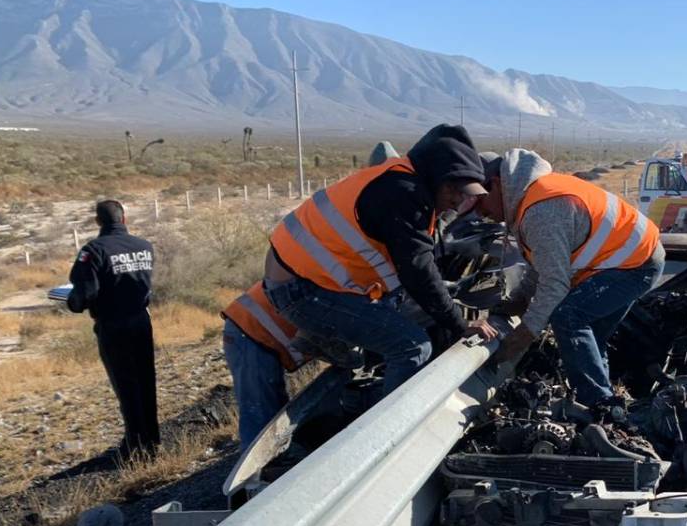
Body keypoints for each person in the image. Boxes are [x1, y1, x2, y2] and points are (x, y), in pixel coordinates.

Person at [263, 124, 498, 395]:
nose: (459, 201)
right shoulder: (403, 192)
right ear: (435, 177)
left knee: (402, 311)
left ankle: (335, 350)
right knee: (412, 345)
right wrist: (460, 325)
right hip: (302, 292)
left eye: (464, 193)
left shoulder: (402, 183)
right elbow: (418, 271)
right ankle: (390, 431)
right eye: (454, 190)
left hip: (311, 283)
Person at [476, 149, 664, 410]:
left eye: (479, 203)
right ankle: (607, 404)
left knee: (568, 317)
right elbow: (543, 265)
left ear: (496, 185)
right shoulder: (530, 199)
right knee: (590, 339)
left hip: (634, 263)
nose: (479, 213)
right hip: (634, 257)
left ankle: (598, 406)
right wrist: (518, 302)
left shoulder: (539, 211)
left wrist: (522, 336)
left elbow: (555, 284)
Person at [66, 200, 160, 460]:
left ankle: (136, 447)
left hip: (113, 325)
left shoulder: (94, 251)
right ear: (124, 218)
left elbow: (86, 293)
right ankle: (152, 441)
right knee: (145, 381)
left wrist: (72, 302)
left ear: (98, 221)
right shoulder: (144, 246)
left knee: (126, 385)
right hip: (141, 321)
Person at [221, 277, 315, 452]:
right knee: (260, 414)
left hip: (253, 329)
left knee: (273, 410)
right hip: (249, 331)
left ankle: (277, 458)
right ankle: (257, 473)